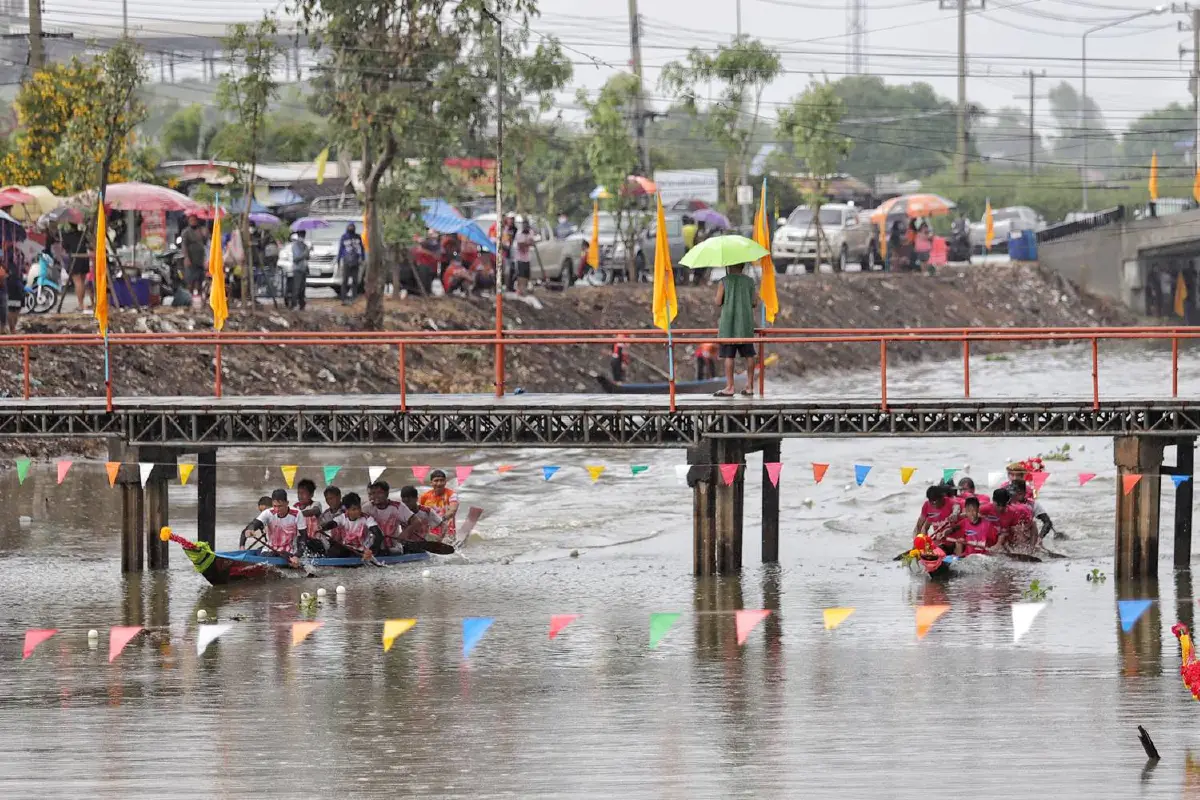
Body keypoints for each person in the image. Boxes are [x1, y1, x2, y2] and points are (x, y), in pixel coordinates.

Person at [714, 264, 758, 397]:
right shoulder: (749, 281)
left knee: (729, 356)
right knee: (749, 355)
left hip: (729, 324)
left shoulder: (724, 281)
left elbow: (717, 301)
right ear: (743, 266)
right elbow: (754, 302)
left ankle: (730, 387)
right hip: (745, 323)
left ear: (728, 266)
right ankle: (750, 386)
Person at [241, 489, 303, 566]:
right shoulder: (268, 513)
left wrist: (297, 556)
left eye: (280, 506)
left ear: (287, 503)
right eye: (275, 506)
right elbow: (254, 523)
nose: (277, 509)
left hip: (289, 552)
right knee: (268, 556)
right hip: (269, 550)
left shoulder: (297, 513)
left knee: (283, 554)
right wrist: (251, 529)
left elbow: (304, 538)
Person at [317, 491, 381, 560]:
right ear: (347, 510)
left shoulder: (367, 519)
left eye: (359, 508)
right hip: (348, 549)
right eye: (354, 509)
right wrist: (323, 528)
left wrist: (371, 551)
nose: (358, 511)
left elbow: (378, 535)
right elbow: (333, 524)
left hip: (363, 551)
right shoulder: (342, 517)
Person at [366, 480, 409, 554]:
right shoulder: (366, 508)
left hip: (394, 547)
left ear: (387, 493)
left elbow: (416, 522)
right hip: (372, 546)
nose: (375, 496)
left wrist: (404, 534)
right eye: (372, 493)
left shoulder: (398, 507)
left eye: (379, 493)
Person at [419, 469, 459, 543]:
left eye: (441, 480)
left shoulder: (452, 495)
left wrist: (439, 520)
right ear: (431, 483)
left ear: (445, 482)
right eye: (436, 481)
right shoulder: (424, 497)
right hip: (430, 533)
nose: (439, 483)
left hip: (448, 534)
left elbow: (453, 510)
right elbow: (418, 513)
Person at [180, 215, 208, 297]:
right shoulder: (186, 232)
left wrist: (205, 235)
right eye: (191, 220)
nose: (193, 221)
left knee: (200, 279)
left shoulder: (200, 230)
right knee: (191, 280)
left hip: (200, 258)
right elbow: (184, 245)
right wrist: (186, 258)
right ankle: (189, 298)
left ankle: (199, 298)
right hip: (191, 258)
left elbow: (205, 242)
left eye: (194, 220)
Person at [337, 223, 364, 304]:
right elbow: (341, 249)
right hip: (346, 262)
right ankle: (343, 298)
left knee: (355, 281)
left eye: (352, 226)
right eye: (350, 226)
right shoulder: (344, 237)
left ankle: (354, 297)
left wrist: (363, 258)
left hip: (356, 261)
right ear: (347, 228)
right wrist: (338, 260)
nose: (351, 228)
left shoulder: (358, 237)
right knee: (345, 280)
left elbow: (362, 248)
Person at [289, 230, 310, 310]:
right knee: (296, 287)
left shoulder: (305, 246)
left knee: (302, 288)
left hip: (304, 268)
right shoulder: (295, 246)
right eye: (301, 236)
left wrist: (308, 251)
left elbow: (307, 257)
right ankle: (293, 304)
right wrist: (305, 253)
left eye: (303, 236)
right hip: (297, 269)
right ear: (298, 236)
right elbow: (296, 258)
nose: (302, 237)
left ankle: (302, 304)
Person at [513, 221, 534, 295]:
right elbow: (520, 245)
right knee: (520, 275)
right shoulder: (519, 233)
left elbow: (532, 242)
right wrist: (527, 243)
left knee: (526, 275)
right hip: (520, 258)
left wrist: (526, 243)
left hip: (527, 258)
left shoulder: (530, 232)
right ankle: (520, 290)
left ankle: (524, 289)